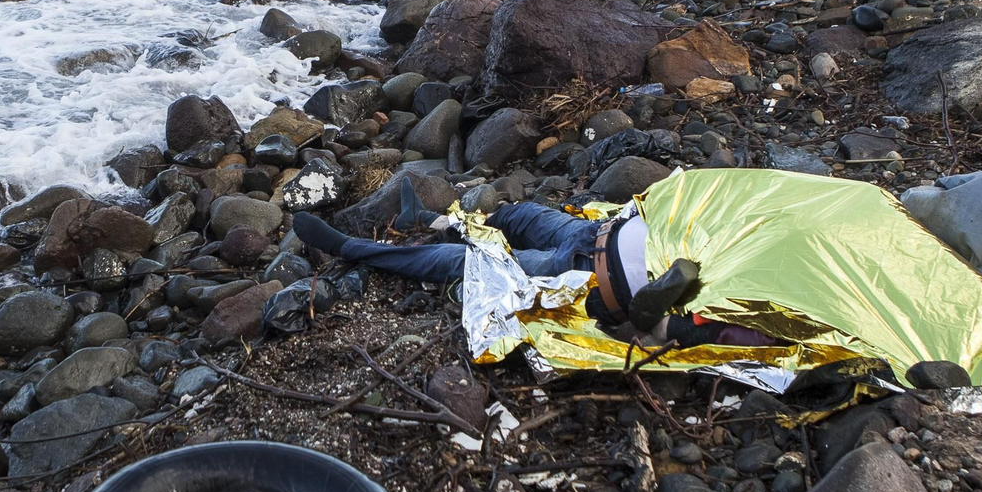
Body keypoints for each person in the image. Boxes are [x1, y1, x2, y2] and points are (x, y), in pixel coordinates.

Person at [292, 181, 776, 348]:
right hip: (599, 233)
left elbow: (683, 330)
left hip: (584, 278)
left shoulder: (764, 313)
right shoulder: (759, 243)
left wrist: (658, 314)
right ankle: (433, 218)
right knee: (517, 214)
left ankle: (350, 248)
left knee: (471, 261)